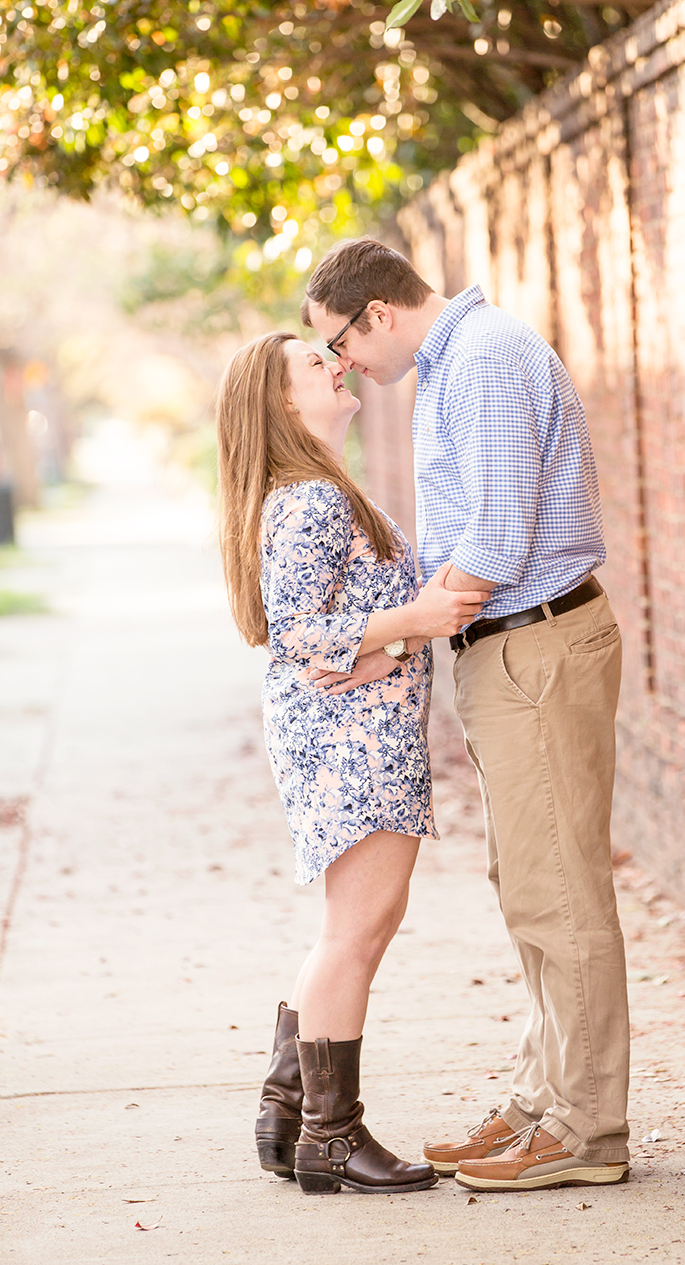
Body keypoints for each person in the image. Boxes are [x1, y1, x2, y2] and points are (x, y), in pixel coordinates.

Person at [300, 239, 630, 1193]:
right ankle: (543, 1098)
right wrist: (406, 636)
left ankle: (586, 1126)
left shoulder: (482, 356)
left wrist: (391, 639)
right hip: (508, 648)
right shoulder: (455, 362)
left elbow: (496, 532)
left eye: (343, 342)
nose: (346, 365)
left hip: (536, 643)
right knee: (529, 882)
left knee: (559, 889)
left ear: (377, 314)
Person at [215, 330, 488, 1195]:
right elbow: (298, 635)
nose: (335, 364)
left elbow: (320, 630)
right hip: (351, 743)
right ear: (283, 404)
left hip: (357, 730)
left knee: (352, 934)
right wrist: (414, 620)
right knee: (353, 938)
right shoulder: (309, 500)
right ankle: (331, 1138)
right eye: (311, 363)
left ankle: (288, 1111)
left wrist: (391, 638)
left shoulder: (319, 491)